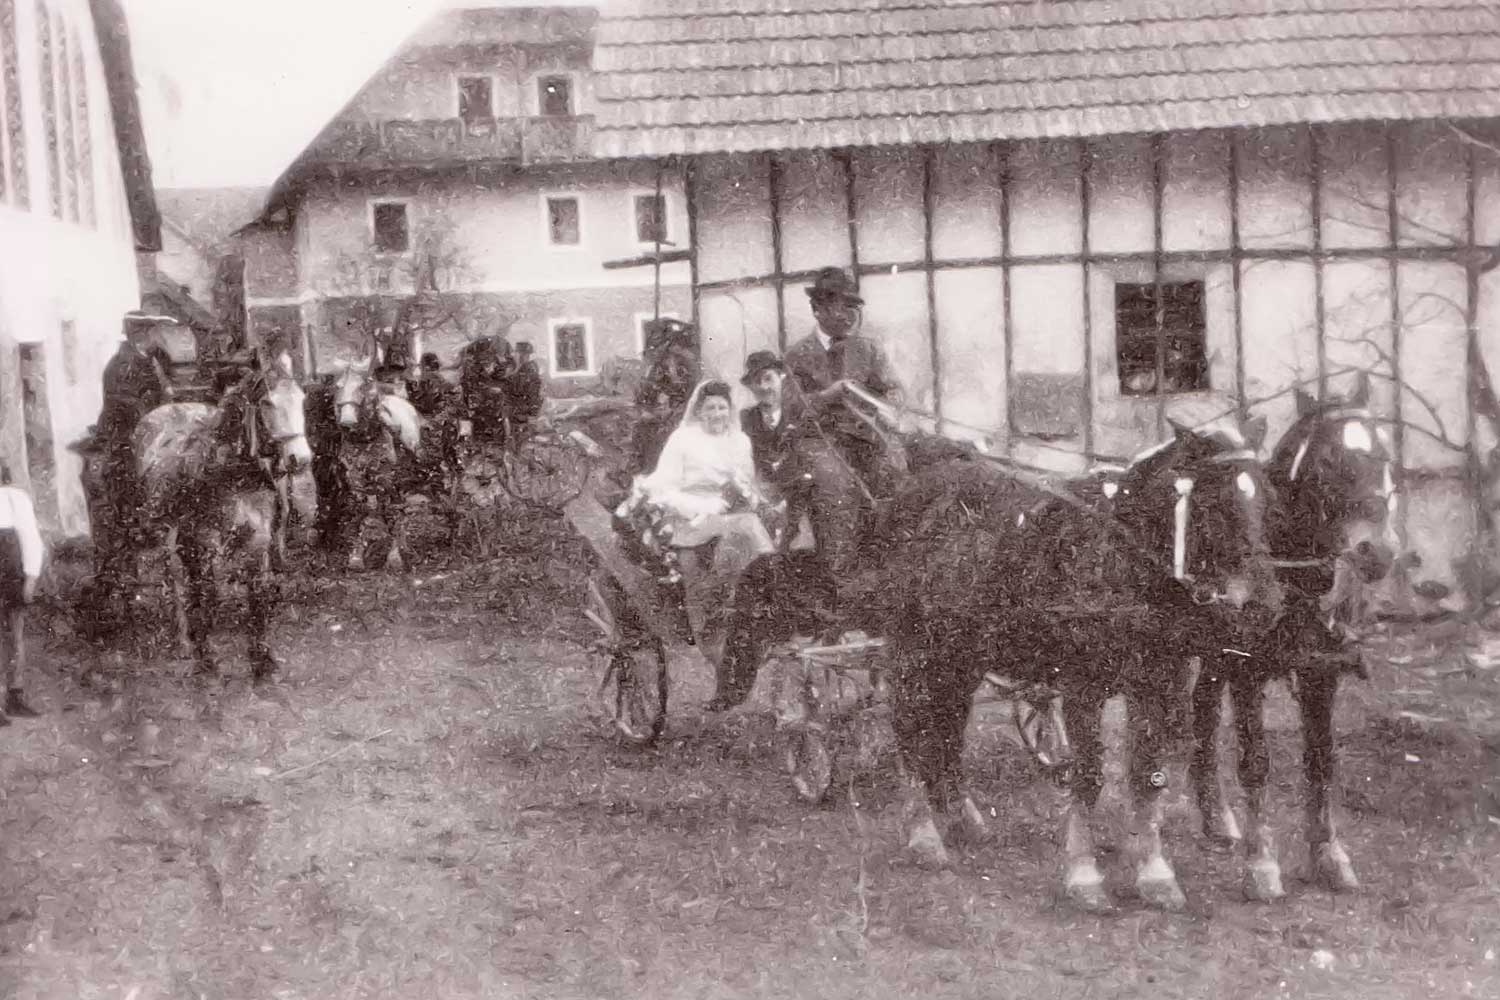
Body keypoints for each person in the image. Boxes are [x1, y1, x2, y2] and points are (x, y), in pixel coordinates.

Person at [626, 380, 776, 643]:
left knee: (753, 524)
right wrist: (703, 506)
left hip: (728, 515)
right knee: (749, 525)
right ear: (698, 411)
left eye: (722, 408)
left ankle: (754, 602)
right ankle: (771, 576)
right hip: (689, 517)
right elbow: (664, 488)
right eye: (710, 408)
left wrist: (746, 493)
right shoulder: (683, 440)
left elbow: (747, 481)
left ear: (730, 410)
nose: (717, 414)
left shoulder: (740, 441)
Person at [783, 267, 906, 499]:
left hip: (869, 436)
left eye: (854, 307)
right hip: (820, 441)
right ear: (817, 309)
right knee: (836, 484)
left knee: (894, 476)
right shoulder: (796, 356)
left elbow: (895, 390)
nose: (850, 315)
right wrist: (826, 396)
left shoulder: (868, 348)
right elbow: (791, 410)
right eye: (842, 306)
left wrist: (888, 406)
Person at [96, 311, 177, 554]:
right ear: (139, 334)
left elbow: (166, 388)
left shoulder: (155, 359)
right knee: (130, 473)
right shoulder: (119, 366)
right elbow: (121, 401)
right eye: (152, 331)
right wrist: (149, 412)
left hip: (156, 426)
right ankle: (135, 525)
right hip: (126, 431)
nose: (156, 336)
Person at [0, 465, 45, 724]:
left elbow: (30, 537)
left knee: (13, 635)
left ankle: (14, 696)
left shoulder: (14, 498)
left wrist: (31, 577)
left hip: (9, 572)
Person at [506, 341, 544, 426]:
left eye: (526, 355)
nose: (523, 357)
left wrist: (531, 414)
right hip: (515, 410)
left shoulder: (530, 370)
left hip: (523, 411)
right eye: (521, 354)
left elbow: (534, 394)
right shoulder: (514, 368)